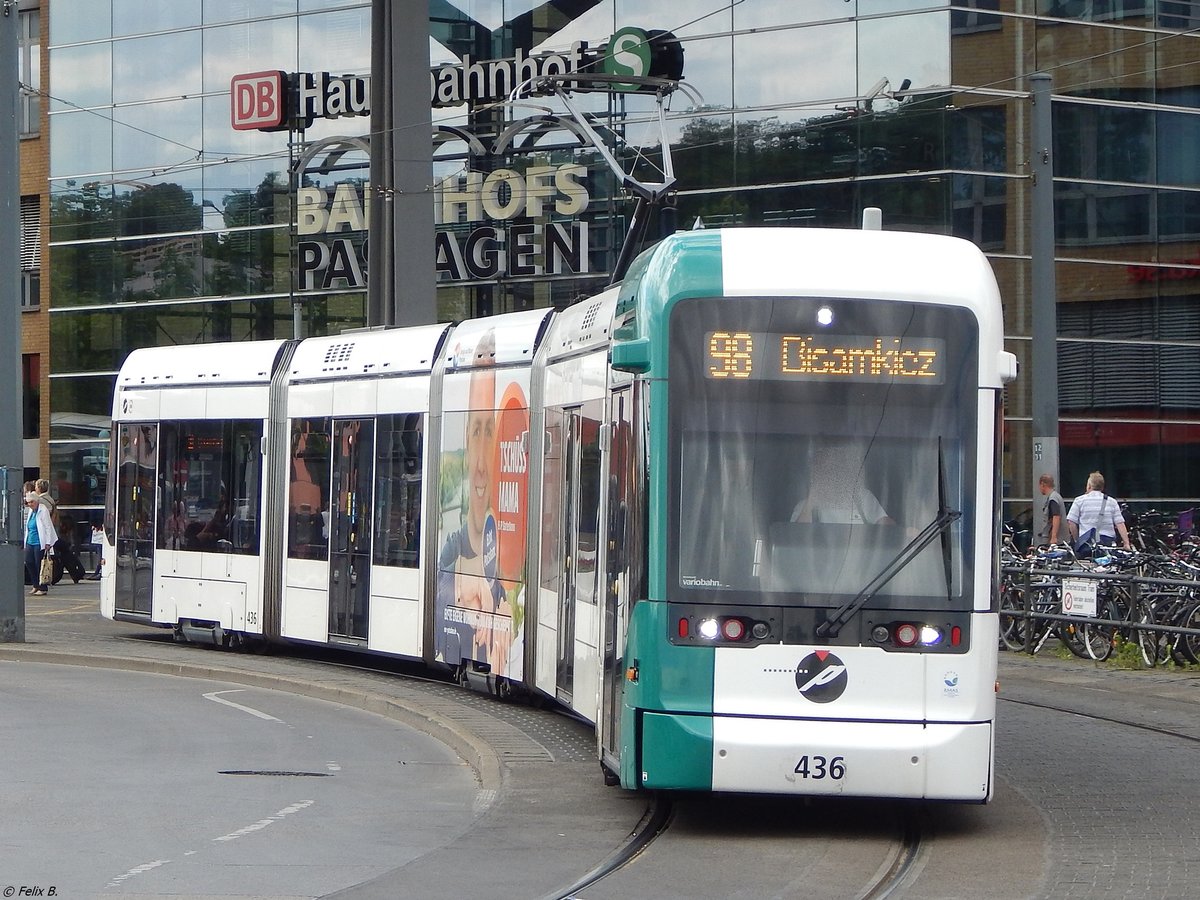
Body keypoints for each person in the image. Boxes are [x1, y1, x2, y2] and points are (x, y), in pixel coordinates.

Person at [436, 330, 510, 671]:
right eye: (476, 431)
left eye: (490, 432)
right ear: (466, 438)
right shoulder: (450, 553)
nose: (480, 464)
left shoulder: (508, 560)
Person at [790, 440, 895, 525]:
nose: (830, 475)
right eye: (823, 470)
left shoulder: (862, 497)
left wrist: (904, 531)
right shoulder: (803, 507)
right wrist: (811, 502)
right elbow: (796, 538)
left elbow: (885, 527)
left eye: (833, 469)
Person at [1067, 471, 1131, 550]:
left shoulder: (1079, 500)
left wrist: (1077, 540)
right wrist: (1126, 543)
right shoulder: (1111, 501)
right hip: (1107, 542)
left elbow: (1071, 522)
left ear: (1089, 486)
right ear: (1102, 487)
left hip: (1086, 543)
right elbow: (1120, 523)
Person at [23, 492, 59, 596]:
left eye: (31, 502)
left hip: (39, 541)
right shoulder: (31, 511)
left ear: (36, 501)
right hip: (30, 541)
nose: (30, 504)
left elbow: (48, 527)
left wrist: (48, 542)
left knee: (39, 564)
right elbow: (28, 526)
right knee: (29, 562)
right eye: (28, 502)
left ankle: (43, 587)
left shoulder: (43, 510)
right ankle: (35, 585)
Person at [1037, 473, 1065, 545]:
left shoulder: (1053, 498)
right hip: (1057, 538)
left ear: (1043, 484)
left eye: (1039, 485)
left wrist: (1054, 537)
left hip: (1057, 540)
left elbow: (1056, 516)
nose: (1039, 488)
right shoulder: (1055, 496)